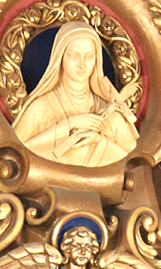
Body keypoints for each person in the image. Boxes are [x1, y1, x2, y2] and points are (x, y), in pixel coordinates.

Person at [12, 22, 138, 167]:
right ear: (60, 57)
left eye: (89, 56)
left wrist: (100, 142)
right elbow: (17, 154)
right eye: (73, 56)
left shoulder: (111, 116)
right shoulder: (40, 109)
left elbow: (134, 165)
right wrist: (68, 125)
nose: (82, 64)